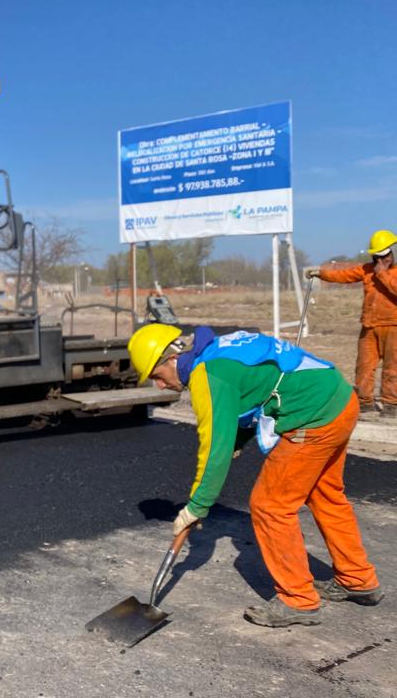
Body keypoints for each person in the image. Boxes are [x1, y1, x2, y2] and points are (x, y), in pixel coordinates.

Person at [129, 323, 383, 627]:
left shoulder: (207, 375)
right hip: (338, 400)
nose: (159, 386)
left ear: (171, 358)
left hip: (312, 417)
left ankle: (298, 600)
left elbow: (213, 452)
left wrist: (197, 506)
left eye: (157, 376)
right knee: (324, 494)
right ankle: (358, 578)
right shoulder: (217, 351)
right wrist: (239, 441)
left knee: (270, 506)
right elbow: (253, 394)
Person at [307, 229, 397, 422]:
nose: (381, 261)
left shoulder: (391, 273)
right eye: (377, 256)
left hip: (393, 327)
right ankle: (365, 402)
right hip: (369, 326)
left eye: (384, 256)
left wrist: (383, 275)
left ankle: (390, 404)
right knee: (364, 366)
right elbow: (343, 274)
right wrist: (321, 273)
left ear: (391, 253)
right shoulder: (366, 270)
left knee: (393, 367)